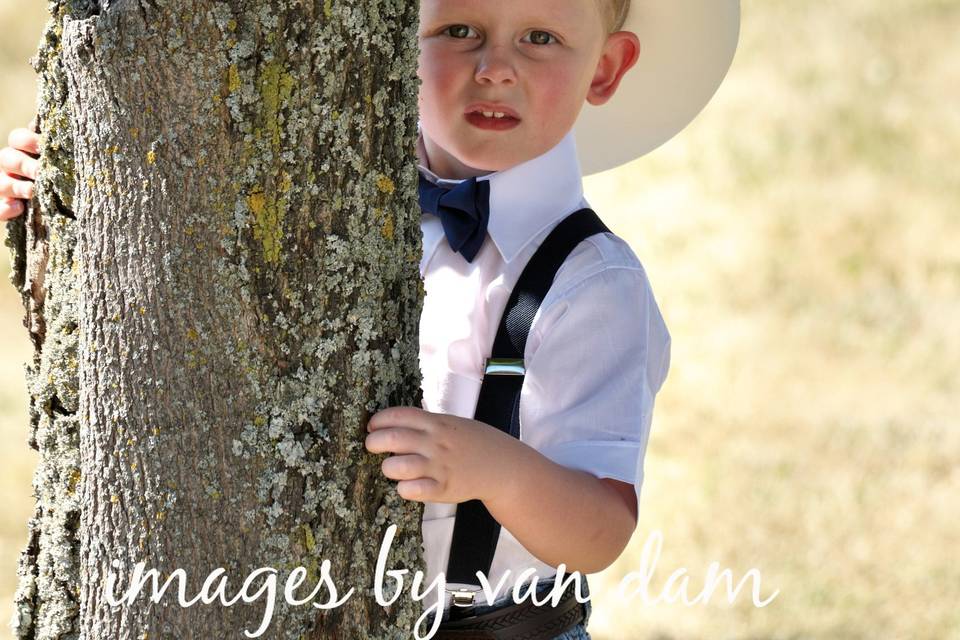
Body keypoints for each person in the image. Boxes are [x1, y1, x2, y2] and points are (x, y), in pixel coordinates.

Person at [2, 1, 739, 637]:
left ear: (606, 68)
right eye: (458, 28)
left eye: (541, 37)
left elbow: (600, 530)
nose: (495, 67)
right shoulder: (329, 183)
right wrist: (62, 198)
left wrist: (491, 467)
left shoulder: (592, 283)